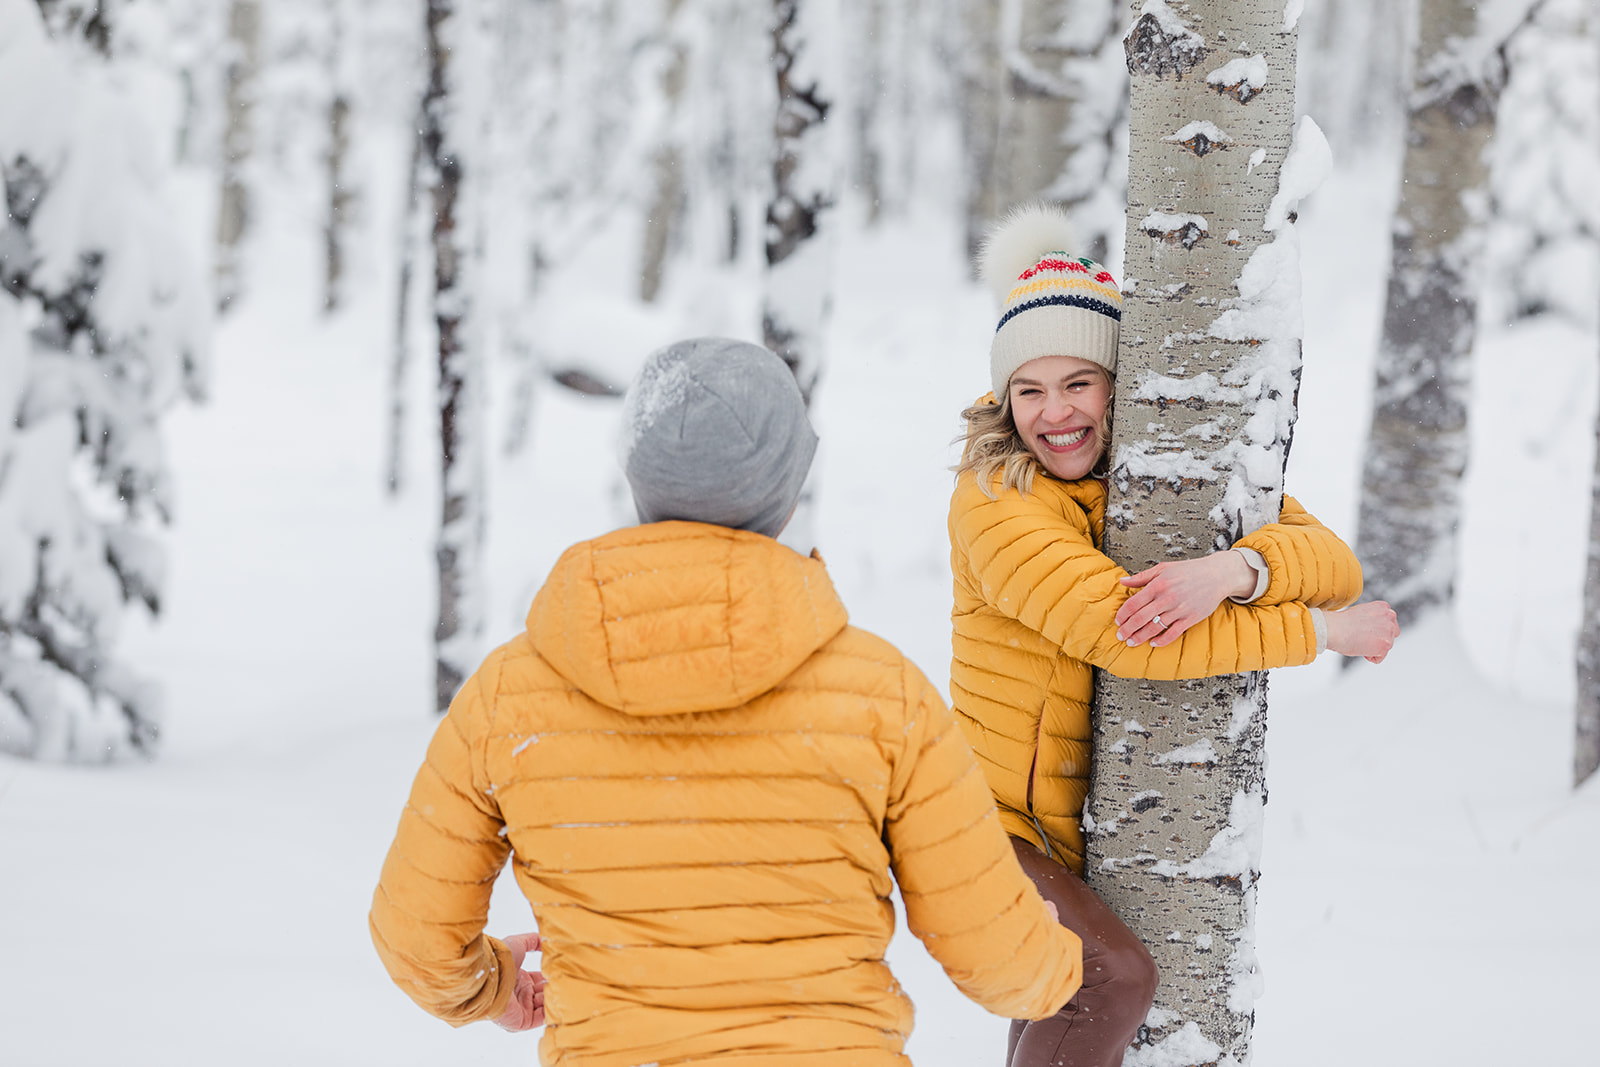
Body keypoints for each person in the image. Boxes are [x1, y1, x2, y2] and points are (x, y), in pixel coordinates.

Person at [370, 337, 1085, 1066]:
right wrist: (1051, 958)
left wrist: (494, 988)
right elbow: (1001, 964)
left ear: (637, 472)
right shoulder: (881, 692)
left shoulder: (508, 695)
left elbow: (417, 939)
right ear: (787, 483)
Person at [948, 205, 1400, 1067]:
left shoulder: (1155, 479)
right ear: (1004, 400)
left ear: (1119, 385)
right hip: (983, 824)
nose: (1056, 414)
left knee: (1061, 1014)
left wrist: (1232, 571)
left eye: (1079, 382)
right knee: (1108, 978)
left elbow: (1332, 557)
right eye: (1029, 391)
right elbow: (1132, 634)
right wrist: (1320, 632)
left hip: (1060, 831)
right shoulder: (997, 500)